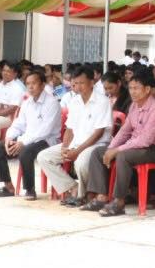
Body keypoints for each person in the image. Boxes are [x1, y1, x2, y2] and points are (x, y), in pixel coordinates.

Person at [81, 70, 155, 217]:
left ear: (147, 89)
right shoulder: (134, 106)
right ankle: (101, 197)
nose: (132, 92)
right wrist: (110, 148)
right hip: (135, 147)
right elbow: (124, 131)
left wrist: (117, 150)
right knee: (98, 152)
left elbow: (145, 140)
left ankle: (119, 202)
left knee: (123, 156)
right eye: (130, 88)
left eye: (136, 88)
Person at [40, 66, 113, 205]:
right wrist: (65, 147)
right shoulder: (75, 101)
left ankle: (83, 195)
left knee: (81, 162)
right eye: (76, 83)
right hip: (75, 144)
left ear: (92, 82)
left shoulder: (102, 101)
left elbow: (98, 133)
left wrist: (77, 151)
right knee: (44, 157)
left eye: (82, 83)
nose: (78, 87)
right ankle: (73, 188)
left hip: (96, 145)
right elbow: (69, 129)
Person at [0, 70, 60, 199]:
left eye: (34, 83)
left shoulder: (52, 103)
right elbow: (19, 124)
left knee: (25, 151)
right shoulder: (27, 103)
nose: (30, 87)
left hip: (47, 141)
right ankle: (8, 187)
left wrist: (22, 142)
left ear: (42, 85)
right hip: (27, 139)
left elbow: (44, 131)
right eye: (28, 84)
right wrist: (9, 137)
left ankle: (29, 189)